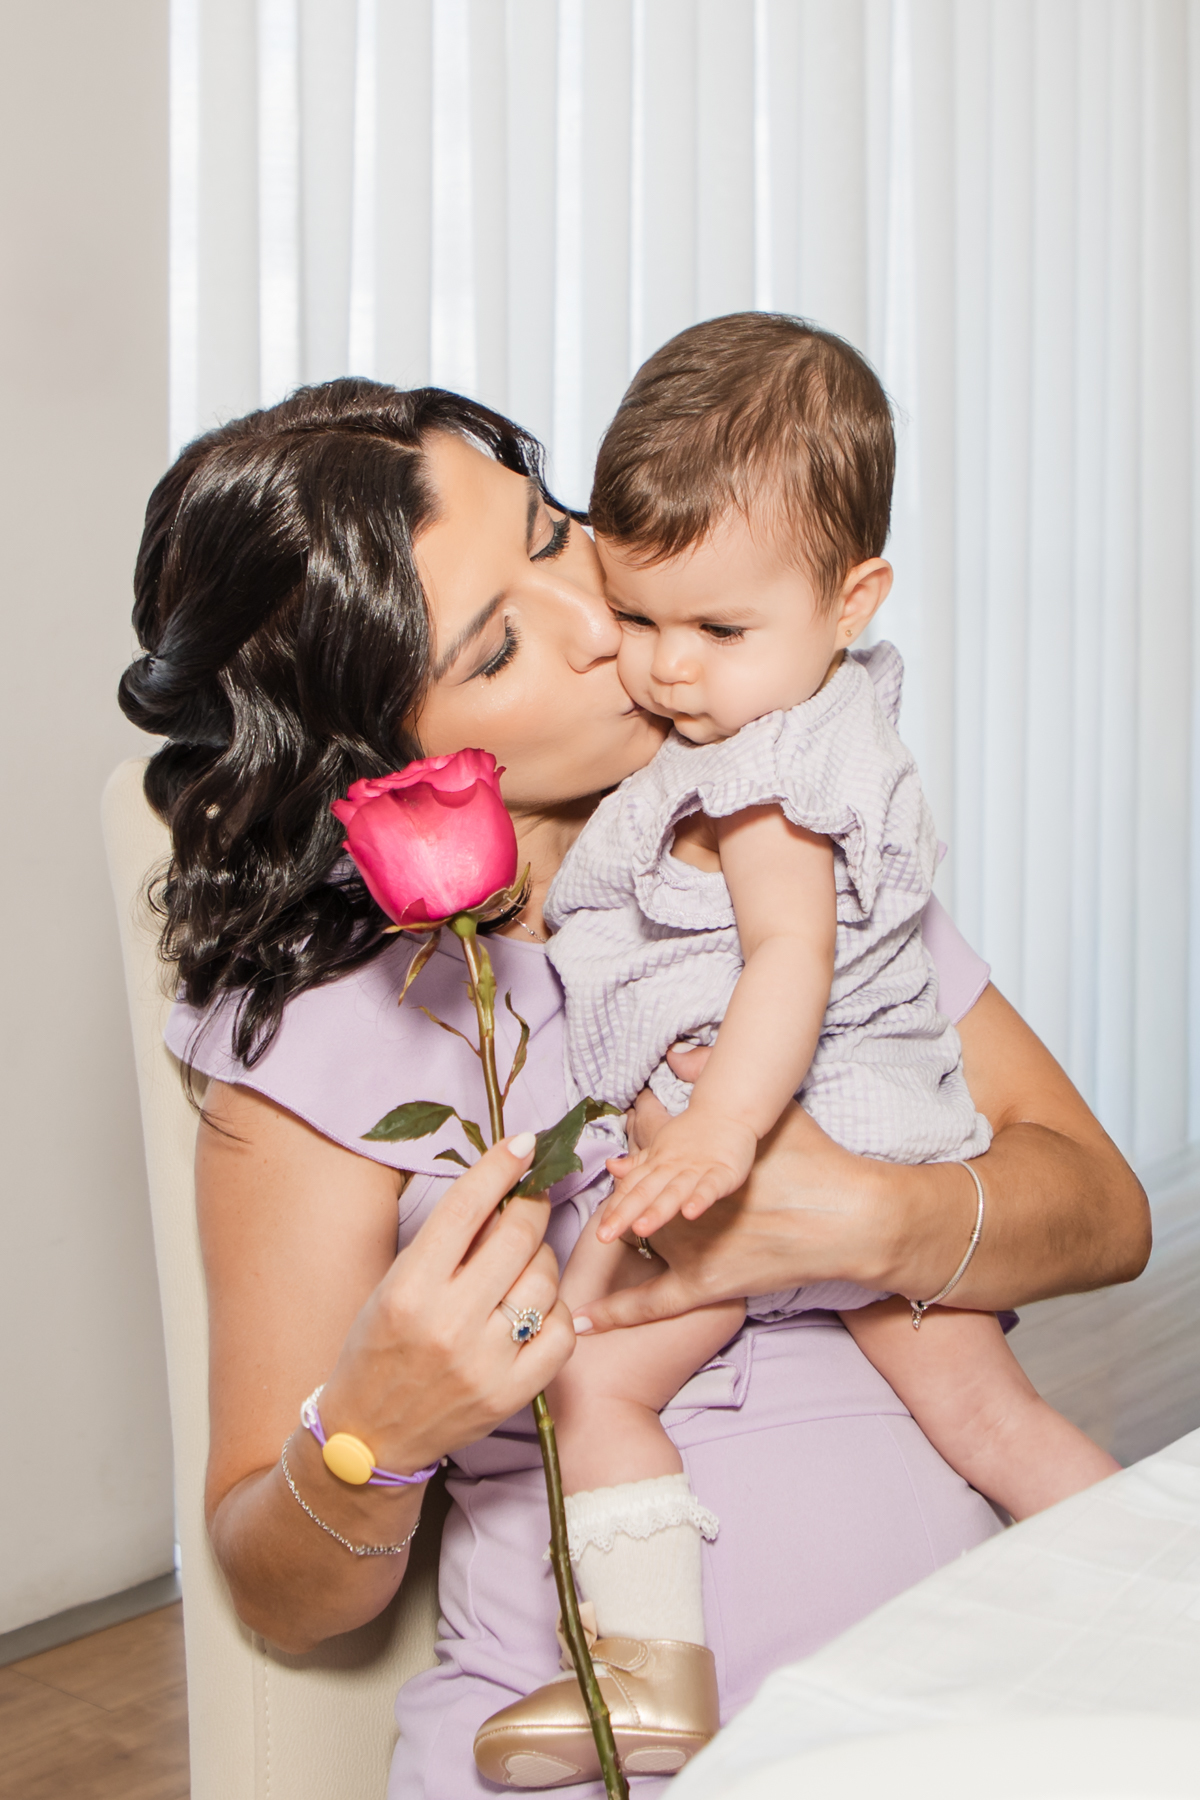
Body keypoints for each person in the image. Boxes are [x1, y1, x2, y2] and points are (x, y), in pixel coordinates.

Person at [117, 376, 1149, 1800]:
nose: (607, 629)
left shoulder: (782, 841)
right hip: (608, 1758)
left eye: (552, 539)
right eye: (500, 648)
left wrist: (860, 1219)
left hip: (968, 1692)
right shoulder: (329, 1046)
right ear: (390, 752)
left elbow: (1105, 1215)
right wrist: (374, 1430)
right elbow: (281, 1594)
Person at [476, 317, 1118, 1783]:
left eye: (715, 630)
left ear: (853, 599)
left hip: (802, 1137)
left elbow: (790, 958)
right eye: (638, 620)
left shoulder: (758, 784)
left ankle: (646, 1677)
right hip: (900, 1132)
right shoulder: (807, 706)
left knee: (595, 1380)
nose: (666, 669)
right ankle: (1152, 1601)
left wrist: (718, 1139)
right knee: (996, 1422)